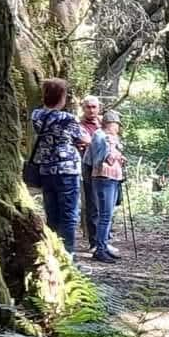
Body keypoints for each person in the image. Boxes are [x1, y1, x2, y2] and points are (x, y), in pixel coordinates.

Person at [31, 78, 85, 255]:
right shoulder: (67, 118)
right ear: (61, 97)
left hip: (45, 169)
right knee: (69, 216)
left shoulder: (36, 115)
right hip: (67, 170)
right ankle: (67, 256)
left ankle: (52, 254)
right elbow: (85, 139)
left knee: (52, 214)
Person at [88, 111, 125, 264]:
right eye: (117, 125)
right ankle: (100, 249)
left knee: (107, 216)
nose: (118, 128)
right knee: (104, 215)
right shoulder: (101, 136)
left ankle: (103, 246)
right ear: (111, 124)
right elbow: (101, 160)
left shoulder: (109, 137)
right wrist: (114, 152)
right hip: (104, 178)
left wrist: (118, 155)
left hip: (112, 178)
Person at [78, 95, 102, 249]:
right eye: (88, 107)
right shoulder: (78, 124)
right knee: (92, 204)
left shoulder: (103, 123)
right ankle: (94, 241)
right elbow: (86, 141)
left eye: (94, 107)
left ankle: (104, 239)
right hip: (88, 167)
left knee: (106, 203)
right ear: (83, 108)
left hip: (106, 168)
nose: (91, 110)